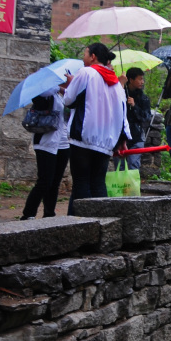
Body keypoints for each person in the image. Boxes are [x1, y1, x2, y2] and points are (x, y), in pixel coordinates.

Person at [62, 42, 131, 213]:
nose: (83, 57)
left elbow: (68, 101)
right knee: (98, 183)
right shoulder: (116, 82)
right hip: (106, 141)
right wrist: (122, 139)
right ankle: (102, 222)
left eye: (85, 53)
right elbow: (122, 113)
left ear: (93, 56)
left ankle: (81, 226)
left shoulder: (86, 72)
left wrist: (71, 84)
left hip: (83, 137)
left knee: (81, 183)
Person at [20, 88, 69, 220]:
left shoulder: (62, 95)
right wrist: (58, 87)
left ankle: (49, 214)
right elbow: (38, 97)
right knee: (45, 181)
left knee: (55, 182)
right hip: (46, 141)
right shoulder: (46, 91)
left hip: (63, 142)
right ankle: (28, 214)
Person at [114, 67, 151, 172]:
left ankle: (133, 189)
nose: (142, 82)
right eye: (139, 79)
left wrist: (134, 106)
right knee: (119, 167)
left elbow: (146, 117)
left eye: (142, 79)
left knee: (134, 166)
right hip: (120, 137)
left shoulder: (143, 98)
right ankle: (120, 188)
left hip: (137, 136)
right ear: (131, 80)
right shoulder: (120, 94)